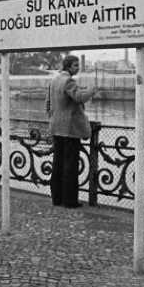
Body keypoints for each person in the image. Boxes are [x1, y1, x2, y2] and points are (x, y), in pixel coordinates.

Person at [45, 54, 99, 208]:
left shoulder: (54, 80)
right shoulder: (68, 80)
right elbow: (79, 97)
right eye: (75, 65)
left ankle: (57, 198)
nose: (78, 68)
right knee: (70, 166)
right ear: (67, 66)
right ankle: (70, 200)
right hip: (70, 130)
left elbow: (47, 104)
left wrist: (55, 118)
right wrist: (90, 90)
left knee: (58, 164)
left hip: (57, 129)